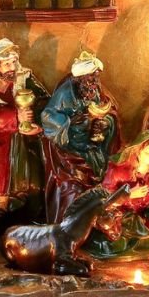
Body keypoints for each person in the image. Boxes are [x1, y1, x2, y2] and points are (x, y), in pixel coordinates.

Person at [0, 39, 50, 228]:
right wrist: (16, 117)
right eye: (7, 64)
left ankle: (31, 221)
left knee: (34, 185)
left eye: (14, 62)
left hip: (26, 145)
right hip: (0, 146)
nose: (12, 67)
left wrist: (36, 123)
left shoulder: (25, 78)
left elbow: (45, 102)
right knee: (0, 187)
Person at [81, 131, 149, 260]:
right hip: (121, 216)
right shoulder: (118, 170)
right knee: (142, 240)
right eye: (148, 152)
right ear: (138, 151)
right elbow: (104, 198)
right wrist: (128, 195)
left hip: (147, 213)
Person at [40, 51, 121, 221]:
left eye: (96, 76)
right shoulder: (65, 94)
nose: (95, 81)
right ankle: (70, 224)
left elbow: (110, 111)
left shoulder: (96, 90)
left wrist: (105, 123)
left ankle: (96, 221)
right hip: (68, 154)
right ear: (80, 78)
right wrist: (71, 122)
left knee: (102, 185)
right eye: (91, 77)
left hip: (92, 149)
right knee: (72, 190)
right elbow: (48, 117)